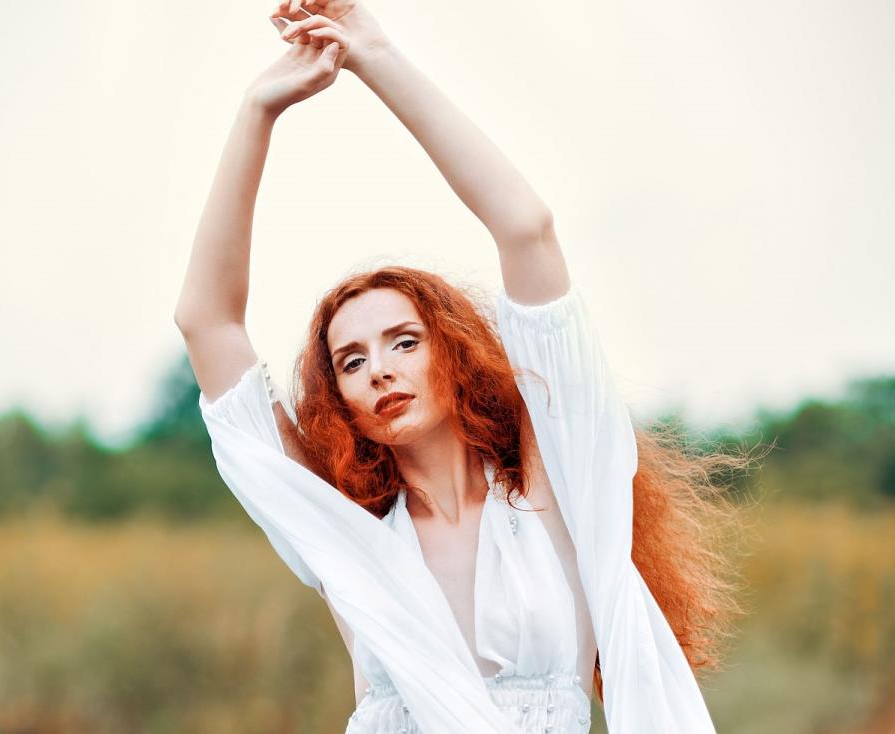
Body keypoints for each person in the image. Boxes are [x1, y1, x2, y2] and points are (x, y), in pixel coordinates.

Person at [175, 2, 745, 731]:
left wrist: (373, 53)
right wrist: (258, 109)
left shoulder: (548, 499)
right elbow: (207, 322)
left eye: (405, 342)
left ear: (457, 356)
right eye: (352, 361)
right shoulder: (348, 536)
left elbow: (527, 229)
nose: (379, 370)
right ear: (340, 400)